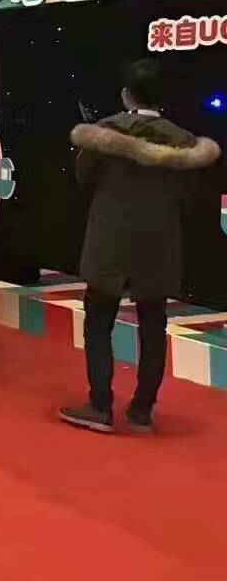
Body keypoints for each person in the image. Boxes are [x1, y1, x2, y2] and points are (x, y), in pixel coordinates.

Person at [60, 59, 219, 434]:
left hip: (109, 240)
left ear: (125, 94)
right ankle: (142, 409)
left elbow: (83, 177)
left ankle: (100, 406)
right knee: (153, 324)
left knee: (98, 323)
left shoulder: (104, 132)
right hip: (159, 243)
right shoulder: (184, 141)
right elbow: (191, 197)